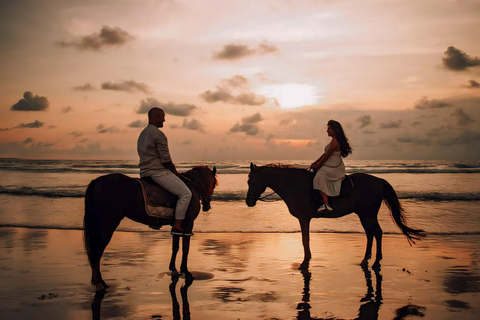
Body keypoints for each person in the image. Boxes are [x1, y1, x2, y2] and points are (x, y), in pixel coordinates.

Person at [137, 107, 192, 236]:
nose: (164, 120)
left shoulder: (143, 134)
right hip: (157, 172)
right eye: (162, 117)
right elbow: (166, 160)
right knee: (186, 194)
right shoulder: (158, 134)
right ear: (156, 117)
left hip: (144, 173)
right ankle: (178, 224)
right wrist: (175, 173)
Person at [310, 120, 352, 213]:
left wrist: (319, 164)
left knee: (319, 177)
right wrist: (315, 162)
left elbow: (327, 156)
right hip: (330, 164)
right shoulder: (333, 141)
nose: (327, 131)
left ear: (335, 130)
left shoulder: (335, 142)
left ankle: (326, 204)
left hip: (333, 167)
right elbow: (324, 154)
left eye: (329, 129)